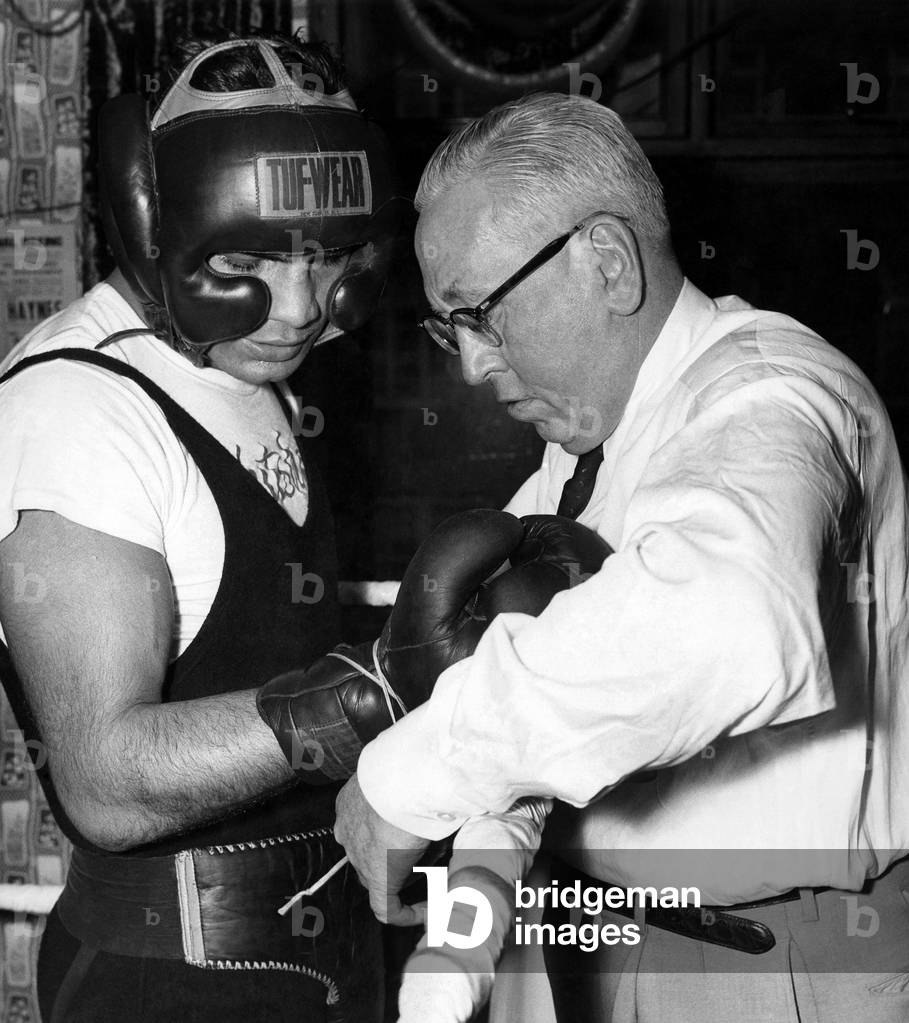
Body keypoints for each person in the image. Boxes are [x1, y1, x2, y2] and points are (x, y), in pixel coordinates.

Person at [333, 91, 909, 1023]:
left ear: (606, 261)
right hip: (601, 933)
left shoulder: (769, 394)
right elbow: (521, 687)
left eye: (480, 315)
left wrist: (418, 772)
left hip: (768, 957)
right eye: (449, 328)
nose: (470, 366)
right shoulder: (588, 446)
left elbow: (725, 619)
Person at [0, 32, 406, 1023]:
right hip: (176, 978)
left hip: (320, 952)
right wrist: (380, 690)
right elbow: (104, 781)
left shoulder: (237, 360)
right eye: (246, 259)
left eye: (329, 257)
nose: (298, 309)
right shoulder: (79, 410)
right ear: (150, 217)